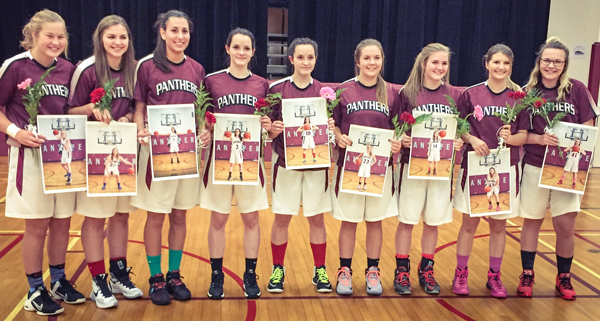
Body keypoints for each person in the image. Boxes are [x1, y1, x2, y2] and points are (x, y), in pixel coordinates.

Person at [0, 9, 85, 316]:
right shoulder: (14, 66)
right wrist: (16, 131)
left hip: (63, 157)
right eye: (49, 35)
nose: (56, 41)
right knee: (37, 225)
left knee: (62, 221)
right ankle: (35, 289)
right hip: (30, 157)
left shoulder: (68, 69)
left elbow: (73, 110)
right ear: (33, 35)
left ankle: (59, 280)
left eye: (61, 36)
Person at [68, 15, 142, 308]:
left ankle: (118, 274)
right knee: (96, 218)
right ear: (100, 38)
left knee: (121, 215)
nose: (117, 42)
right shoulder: (86, 69)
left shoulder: (134, 70)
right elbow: (68, 111)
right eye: (111, 37)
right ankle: (98, 280)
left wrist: (126, 118)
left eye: (123, 37)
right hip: (93, 154)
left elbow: (137, 107)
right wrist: (91, 109)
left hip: (124, 152)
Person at [131, 10, 205, 306]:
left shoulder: (197, 69)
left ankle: (174, 274)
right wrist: (140, 130)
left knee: (180, 214)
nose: (180, 36)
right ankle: (155, 277)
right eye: (174, 30)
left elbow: (200, 112)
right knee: (156, 215)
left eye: (184, 31)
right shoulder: (146, 66)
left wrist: (204, 130)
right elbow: (139, 107)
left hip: (187, 152)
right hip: (156, 153)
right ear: (162, 32)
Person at [518, 37, 598, 300]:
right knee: (532, 222)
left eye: (557, 61)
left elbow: (589, 126)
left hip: (567, 167)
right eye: (546, 60)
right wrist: (539, 139)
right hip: (534, 164)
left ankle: (564, 275)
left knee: (565, 225)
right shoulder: (527, 91)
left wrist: (571, 141)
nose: (551, 65)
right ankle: (527, 273)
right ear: (539, 62)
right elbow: (520, 134)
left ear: (564, 65)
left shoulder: (576, 89)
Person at [199, 28, 271, 300]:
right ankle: (216, 275)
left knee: (251, 219)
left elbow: (268, 123)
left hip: (250, 160)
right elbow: (205, 117)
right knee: (218, 219)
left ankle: (250, 274)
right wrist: (204, 129)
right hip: (219, 159)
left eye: (247, 48)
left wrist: (266, 124)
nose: (241, 52)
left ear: (253, 52)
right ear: (227, 49)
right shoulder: (212, 81)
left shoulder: (262, 85)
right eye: (236, 47)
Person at [452, 44, 528, 298]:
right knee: (469, 226)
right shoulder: (471, 94)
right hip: (475, 167)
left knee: (498, 226)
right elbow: (459, 128)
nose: (501, 67)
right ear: (487, 64)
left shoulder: (518, 97)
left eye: (506, 63)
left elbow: (524, 136)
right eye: (496, 62)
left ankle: (493, 277)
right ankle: (461, 273)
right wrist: (471, 140)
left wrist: (512, 137)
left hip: (505, 168)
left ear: (511, 67)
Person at [331, 38, 401, 296]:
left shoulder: (393, 92)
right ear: (357, 61)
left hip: (381, 169)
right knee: (349, 222)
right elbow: (334, 125)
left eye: (377, 58)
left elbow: (399, 129)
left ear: (382, 60)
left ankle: (373, 271)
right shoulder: (344, 90)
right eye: (367, 58)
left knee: (375, 222)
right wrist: (338, 136)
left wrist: (397, 143)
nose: (372, 63)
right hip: (351, 167)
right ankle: (345, 271)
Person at [394, 43, 463, 295]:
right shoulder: (406, 93)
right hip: (411, 166)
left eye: (444, 63)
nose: (440, 68)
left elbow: (462, 129)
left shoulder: (455, 95)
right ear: (423, 63)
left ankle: (427, 269)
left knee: (433, 222)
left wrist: (458, 141)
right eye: (435, 62)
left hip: (441, 168)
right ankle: (402, 270)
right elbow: (396, 128)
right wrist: (401, 139)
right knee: (407, 221)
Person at [267, 37, 334, 293]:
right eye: (301, 57)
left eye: (311, 57)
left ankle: (320, 271)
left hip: (316, 166)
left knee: (317, 219)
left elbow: (332, 131)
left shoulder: (325, 93)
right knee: (282, 218)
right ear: (291, 59)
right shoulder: (277, 90)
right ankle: (277, 270)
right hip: (286, 164)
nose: (306, 62)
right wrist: (273, 129)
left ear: (316, 60)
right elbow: (268, 132)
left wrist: (330, 128)